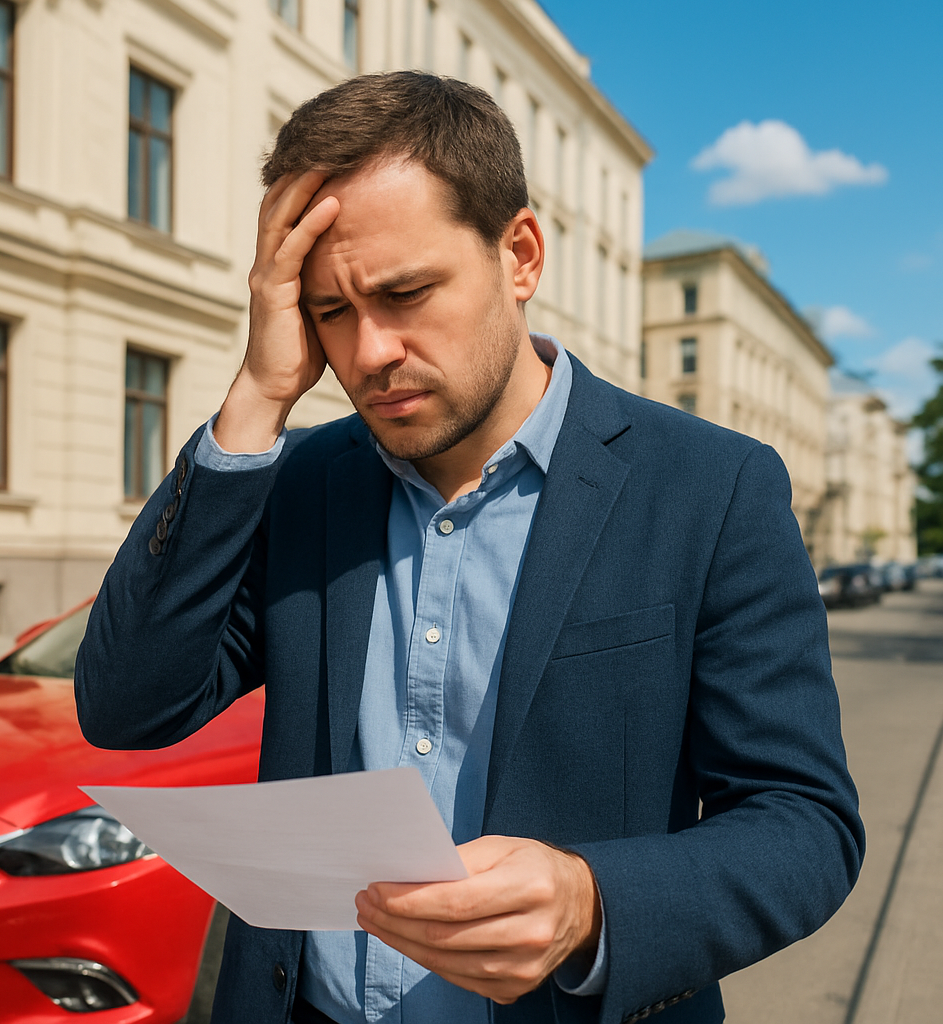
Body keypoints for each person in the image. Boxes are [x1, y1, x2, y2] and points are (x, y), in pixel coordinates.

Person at [75, 72, 863, 1024]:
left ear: (519, 254)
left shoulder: (710, 487)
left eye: (406, 293)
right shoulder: (300, 483)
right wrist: (256, 397)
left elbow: (804, 824)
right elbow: (127, 704)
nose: (368, 354)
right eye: (331, 311)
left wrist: (590, 902)